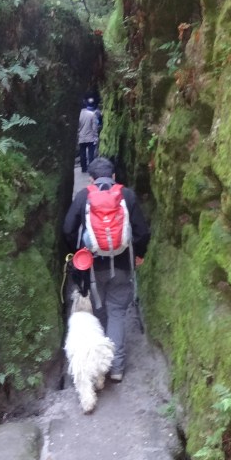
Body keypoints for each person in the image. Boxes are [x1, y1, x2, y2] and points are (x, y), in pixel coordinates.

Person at [63, 156, 150, 382]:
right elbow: (142, 232)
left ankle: (99, 367)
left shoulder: (84, 196)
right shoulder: (127, 195)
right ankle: (116, 368)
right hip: (122, 265)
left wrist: (77, 253)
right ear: (113, 176)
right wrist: (139, 254)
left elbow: (68, 229)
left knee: (99, 311)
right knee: (117, 313)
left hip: (92, 267)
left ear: (91, 180)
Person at [78, 98, 99, 173]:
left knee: (82, 154)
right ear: (86, 106)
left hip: (81, 138)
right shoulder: (91, 114)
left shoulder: (78, 116)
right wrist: (96, 137)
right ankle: (91, 168)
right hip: (90, 138)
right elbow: (94, 127)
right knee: (91, 154)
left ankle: (83, 168)